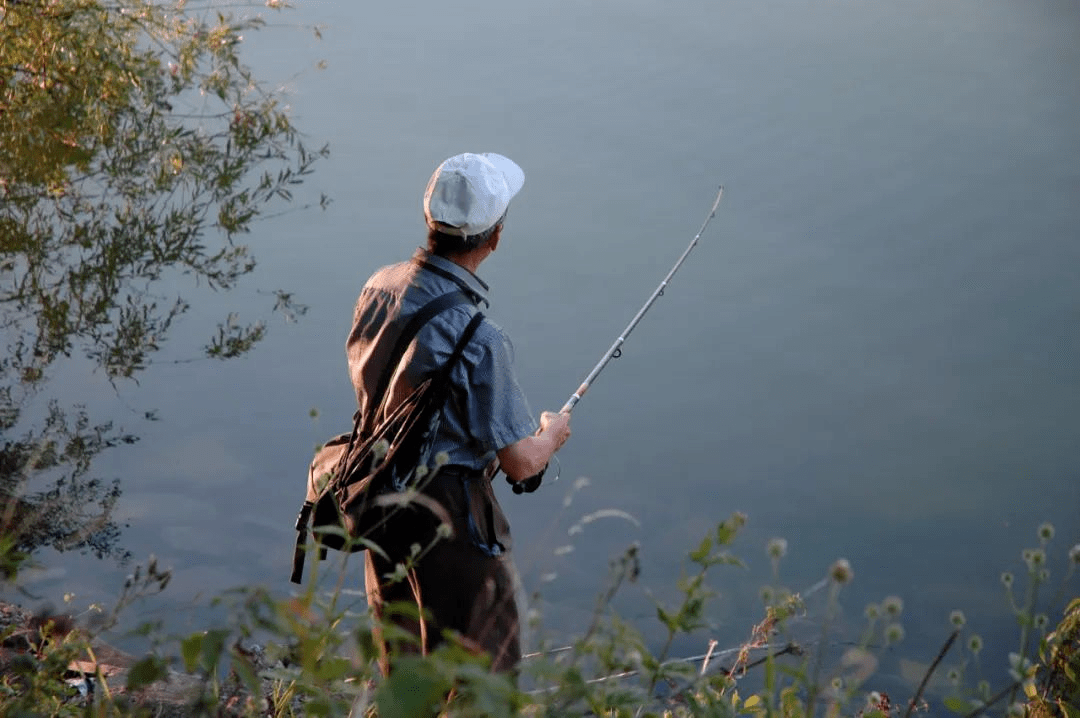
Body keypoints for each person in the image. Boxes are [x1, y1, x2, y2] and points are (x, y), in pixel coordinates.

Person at [346, 152, 571, 674]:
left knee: (401, 670)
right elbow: (519, 463)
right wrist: (552, 434)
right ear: (494, 237)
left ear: (431, 221)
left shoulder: (377, 287)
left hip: (378, 491)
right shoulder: (481, 338)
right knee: (484, 676)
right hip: (449, 514)